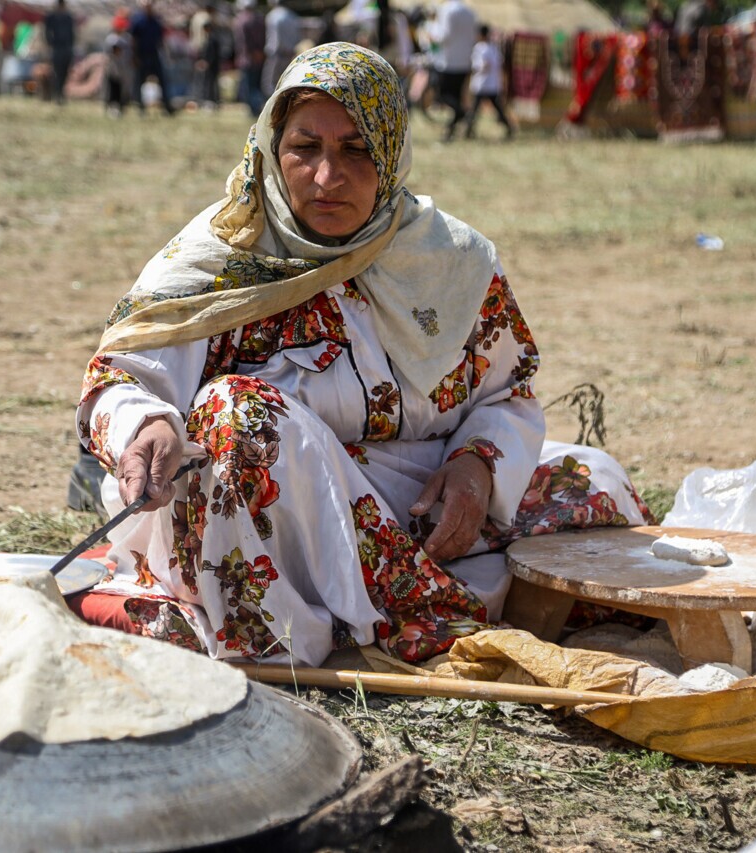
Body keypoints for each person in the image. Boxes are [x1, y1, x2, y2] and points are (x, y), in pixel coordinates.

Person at [69, 43, 654, 667]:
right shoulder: (220, 261)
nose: (326, 178)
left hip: (419, 510)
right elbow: (118, 379)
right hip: (278, 516)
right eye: (304, 148)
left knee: (594, 479)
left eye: (355, 150)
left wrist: (477, 467)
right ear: (271, 146)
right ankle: (290, 631)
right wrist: (148, 424)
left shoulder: (451, 260)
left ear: (392, 153)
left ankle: (396, 602)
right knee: (234, 416)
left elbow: (507, 393)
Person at [432, 0, 476, 141]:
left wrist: (432, 37)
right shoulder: (470, 12)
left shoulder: (447, 10)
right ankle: (450, 131)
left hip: (448, 62)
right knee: (456, 97)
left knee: (443, 95)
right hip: (464, 61)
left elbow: (444, 35)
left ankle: (464, 114)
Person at [465, 24, 513, 139]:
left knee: (474, 109)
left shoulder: (480, 48)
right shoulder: (494, 47)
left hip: (482, 84)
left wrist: (475, 70)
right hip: (492, 84)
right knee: (496, 108)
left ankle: (468, 130)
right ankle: (509, 128)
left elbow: (483, 65)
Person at [130, 0, 175, 115]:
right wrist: (134, 56)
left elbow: (161, 40)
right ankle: (141, 107)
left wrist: (166, 54)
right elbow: (133, 40)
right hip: (141, 55)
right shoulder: (137, 20)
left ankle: (166, 106)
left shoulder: (156, 21)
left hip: (154, 54)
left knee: (162, 80)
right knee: (139, 81)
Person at [232, 0, 265, 116]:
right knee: (257, 84)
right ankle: (258, 108)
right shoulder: (260, 19)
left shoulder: (242, 20)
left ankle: (254, 109)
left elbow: (245, 42)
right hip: (260, 57)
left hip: (247, 58)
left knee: (250, 85)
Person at [262, 0, 300, 96]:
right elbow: (297, 36)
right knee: (287, 80)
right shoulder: (292, 16)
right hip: (290, 53)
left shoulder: (272, 16)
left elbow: (274, 37)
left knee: (270, 82)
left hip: (276, 53)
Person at [43, 0, 75, 104]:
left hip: (66, 48)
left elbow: (72, 34)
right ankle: (56, 94)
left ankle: (61, 93)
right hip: (57, 48)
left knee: (65, 73)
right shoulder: (51, 17)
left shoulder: (68, 18)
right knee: (57, 72)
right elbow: (47, 32)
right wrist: (51, 44)